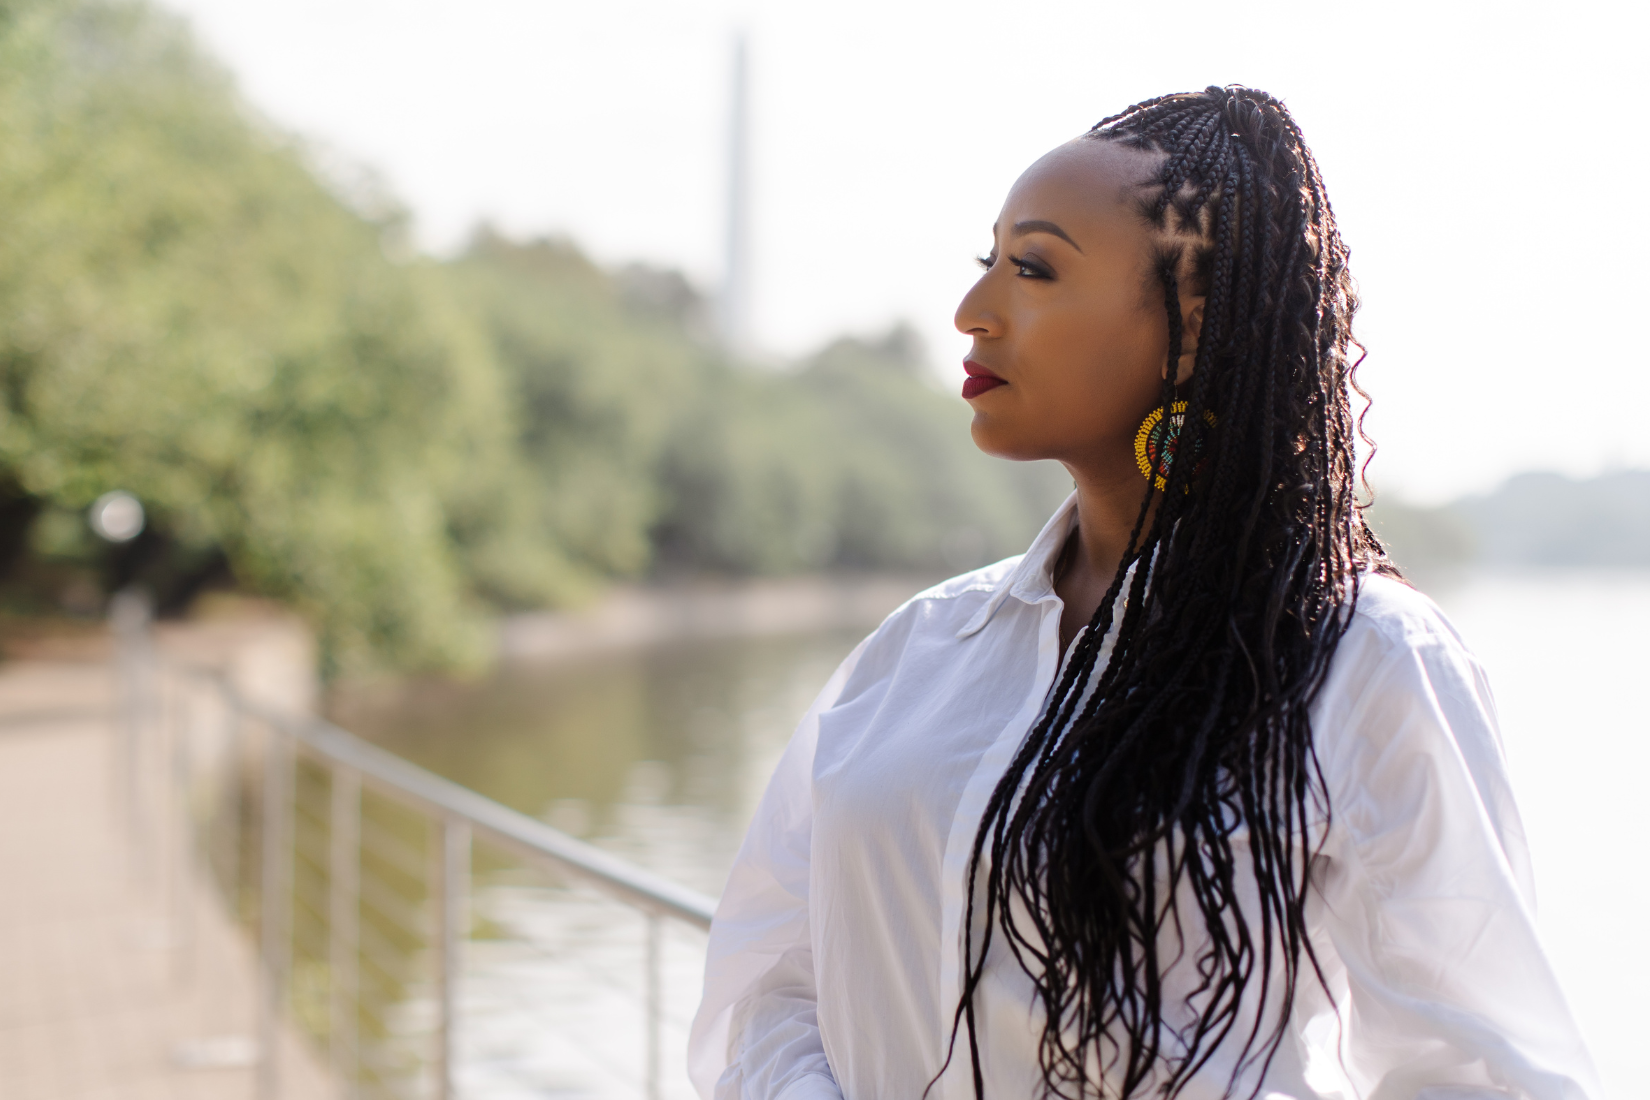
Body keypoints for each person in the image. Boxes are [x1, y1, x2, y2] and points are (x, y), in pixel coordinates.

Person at [688, 87, 1600, 1100]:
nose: (973, 311)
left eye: (1032, 267)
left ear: (1193, 330)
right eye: (985, 259)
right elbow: (775, 979)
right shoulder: (921, 645)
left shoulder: (1366, 657)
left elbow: (1485, 1074)